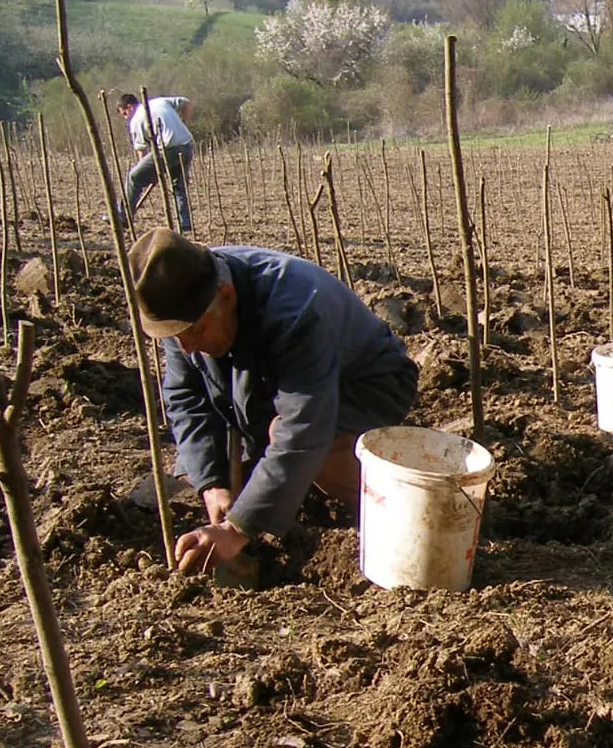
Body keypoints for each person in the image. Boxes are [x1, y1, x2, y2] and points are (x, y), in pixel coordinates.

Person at [131, 230, 419, 575]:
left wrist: (238, 527)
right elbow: (186, 396)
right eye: (176, 339)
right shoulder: (181, 300)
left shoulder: (294, 312)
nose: (186, 348)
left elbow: (303, 428)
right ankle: (281, 492)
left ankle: (402, 512)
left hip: (370, 382)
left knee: (298, 441)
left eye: (193, 333)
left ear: (226, 296)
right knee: (248, 453)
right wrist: (212, 484)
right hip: (274, 383)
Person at [120, 92, 194, 233]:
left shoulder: (136, 120)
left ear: (129, 107)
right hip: (187, 145)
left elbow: (142, 153)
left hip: (167, 149)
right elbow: (186, 102)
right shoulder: (159, 101)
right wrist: (183, 124)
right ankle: (185, 225)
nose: (126, 118)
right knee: (178, 186)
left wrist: (149, 174)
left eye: (124, 114)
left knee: (134, 177)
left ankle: (123, 215)